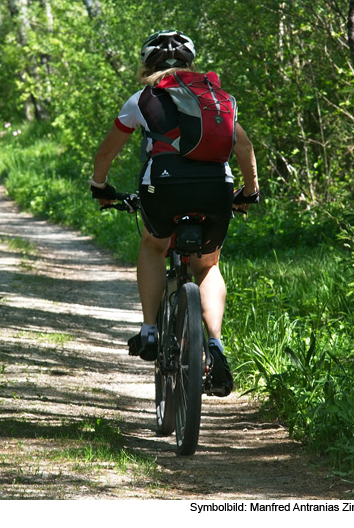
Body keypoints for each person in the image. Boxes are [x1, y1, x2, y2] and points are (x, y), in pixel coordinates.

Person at [89, 30, 259, 396]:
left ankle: (150, 331)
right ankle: (215, 344)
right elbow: (243, 145)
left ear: (147, 65)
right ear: (189, 64)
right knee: (208, 266)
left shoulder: (142, 99)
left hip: (163, 189)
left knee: (153, 245)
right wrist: (249, 192)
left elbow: (105, 154)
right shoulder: (216, 98)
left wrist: (100, 188)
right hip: (216, 189)